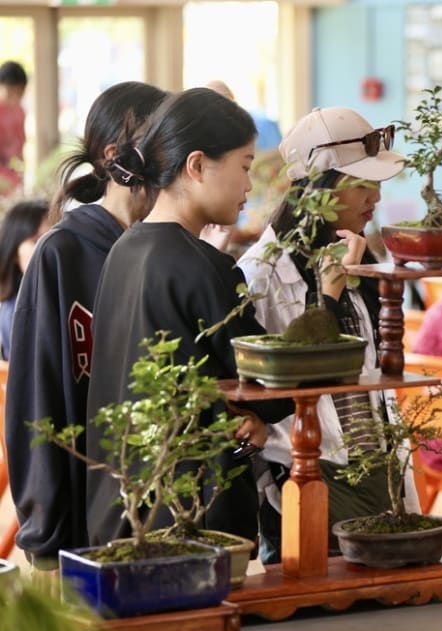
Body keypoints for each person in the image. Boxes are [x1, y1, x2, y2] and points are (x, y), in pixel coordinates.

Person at [85, 87, 292, 547]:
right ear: (197, 165)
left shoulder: (123, 251)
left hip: (123, 503)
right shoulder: (203, 266)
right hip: (194, 511)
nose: (249, 186)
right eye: (243, 166)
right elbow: (273, 393)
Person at [238, 106, 417, 564]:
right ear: (319, 188)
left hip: (376, 469)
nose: (374, 196)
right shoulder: (258, 275)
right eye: (361, 183)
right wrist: (329, 296)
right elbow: (288, 382)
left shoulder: (355, 257)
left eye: (376, 183)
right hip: (305, 477)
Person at [4, 81, 168, 569]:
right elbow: (35, 398)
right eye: (161, 144)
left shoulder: (163, 252)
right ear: (116, 157)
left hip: (156, 519)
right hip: (76, 527)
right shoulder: (63, 252)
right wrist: (45, 534)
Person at [0, 198, 49, 359]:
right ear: (14, 252)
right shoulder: (19, 310)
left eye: (53, 237)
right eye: (36, 241)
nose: (51, 248)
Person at [0, 61, 28, 196]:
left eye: (20, 94)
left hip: (12, 182)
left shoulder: (20, 112)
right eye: (10, 93)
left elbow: (20, 148)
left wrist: (21, 175)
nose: (15, 99)